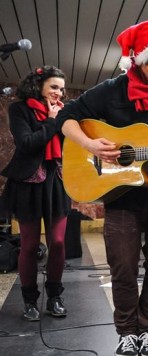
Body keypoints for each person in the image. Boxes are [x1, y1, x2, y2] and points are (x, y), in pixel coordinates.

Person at [57, 20, 148, 356]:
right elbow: (66, 118)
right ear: (142, 61)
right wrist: (91, 143)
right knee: (122, 267)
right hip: (121, 197)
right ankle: (127, 333)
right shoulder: (111, 91)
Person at [2, 66, 70, 321]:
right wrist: (51, 122)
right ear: (37, 85)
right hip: (29, 183)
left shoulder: (64, 112)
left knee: (59, 241)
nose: (58, 92)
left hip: (57, 181)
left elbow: (72, 145)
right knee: (29, 245)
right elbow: (27, 143)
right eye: (53, 86)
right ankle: (29, 300)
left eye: (61, 89)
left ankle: (54, 296)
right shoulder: (19, 109)